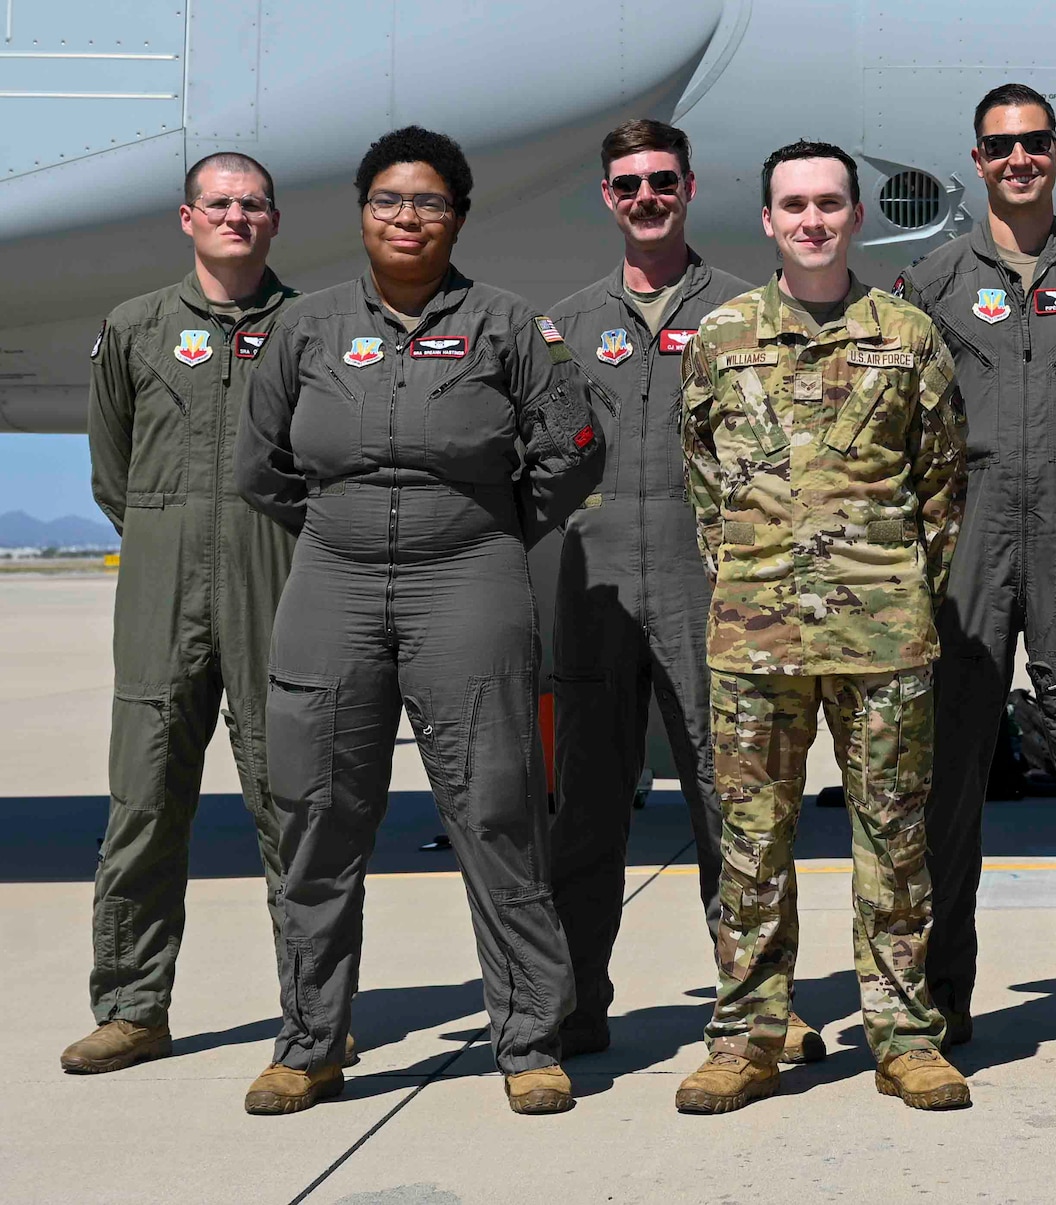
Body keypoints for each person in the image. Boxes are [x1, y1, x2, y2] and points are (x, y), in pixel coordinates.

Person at [235, 126, 603, 1117]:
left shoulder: (506, 326)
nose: (407, 218)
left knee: (495, 804)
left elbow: (570, 448)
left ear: (459, 217)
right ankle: (310, 1041)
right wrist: (339, 529)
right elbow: (258, 464)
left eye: (428, 202)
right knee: (316, 810)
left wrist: (488, 528)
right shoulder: (305, 329)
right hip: (334, 580)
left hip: (468, 578)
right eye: (388, 200)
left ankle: (527, 1037)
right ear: (362, 214)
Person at [675, 140, 971, 1114]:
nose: (811, 220)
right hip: (754, 642)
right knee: (750, 847)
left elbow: (939, 484)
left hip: (882, 638)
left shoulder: (907, 337)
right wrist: (755, 577)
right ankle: (746, 1039)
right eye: (792, 205)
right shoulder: (720, 338)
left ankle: (903, 1036)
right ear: (767, 220)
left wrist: (892, 589)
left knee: (893, 844)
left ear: (853, 217)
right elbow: (703, 482)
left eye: (828, 204)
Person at [544, 120, 829, 1064]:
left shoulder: (745, 315)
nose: (646, 198)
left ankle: (757, 1003)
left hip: (714, 589)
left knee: (731, 804)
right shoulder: (568, 323)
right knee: (585, 807)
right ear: (608, 197)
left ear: (690, 187)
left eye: (661, 181)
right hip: (594, 597)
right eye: (627, 184)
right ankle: (575, 1000)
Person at [895, 83, 1056, 1051]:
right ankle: (942, 984)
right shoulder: (929, 282)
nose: (1018, 159)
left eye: (1034, 142)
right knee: (947, 771)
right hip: (964, 539)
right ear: (976, 159)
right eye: (1000, 145)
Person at [61, 154, 303, 1076]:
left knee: (292, 803)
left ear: (272, 220)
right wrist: (172, 537)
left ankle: (313, 1012)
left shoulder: (310, 328)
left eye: (251, 204)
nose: (235, 217)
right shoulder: (136, 328)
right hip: (163, 592)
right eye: (219, 204)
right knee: (144, 801)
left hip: (274, 582)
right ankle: (131, 1006)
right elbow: (112, 475)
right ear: (187, 217)